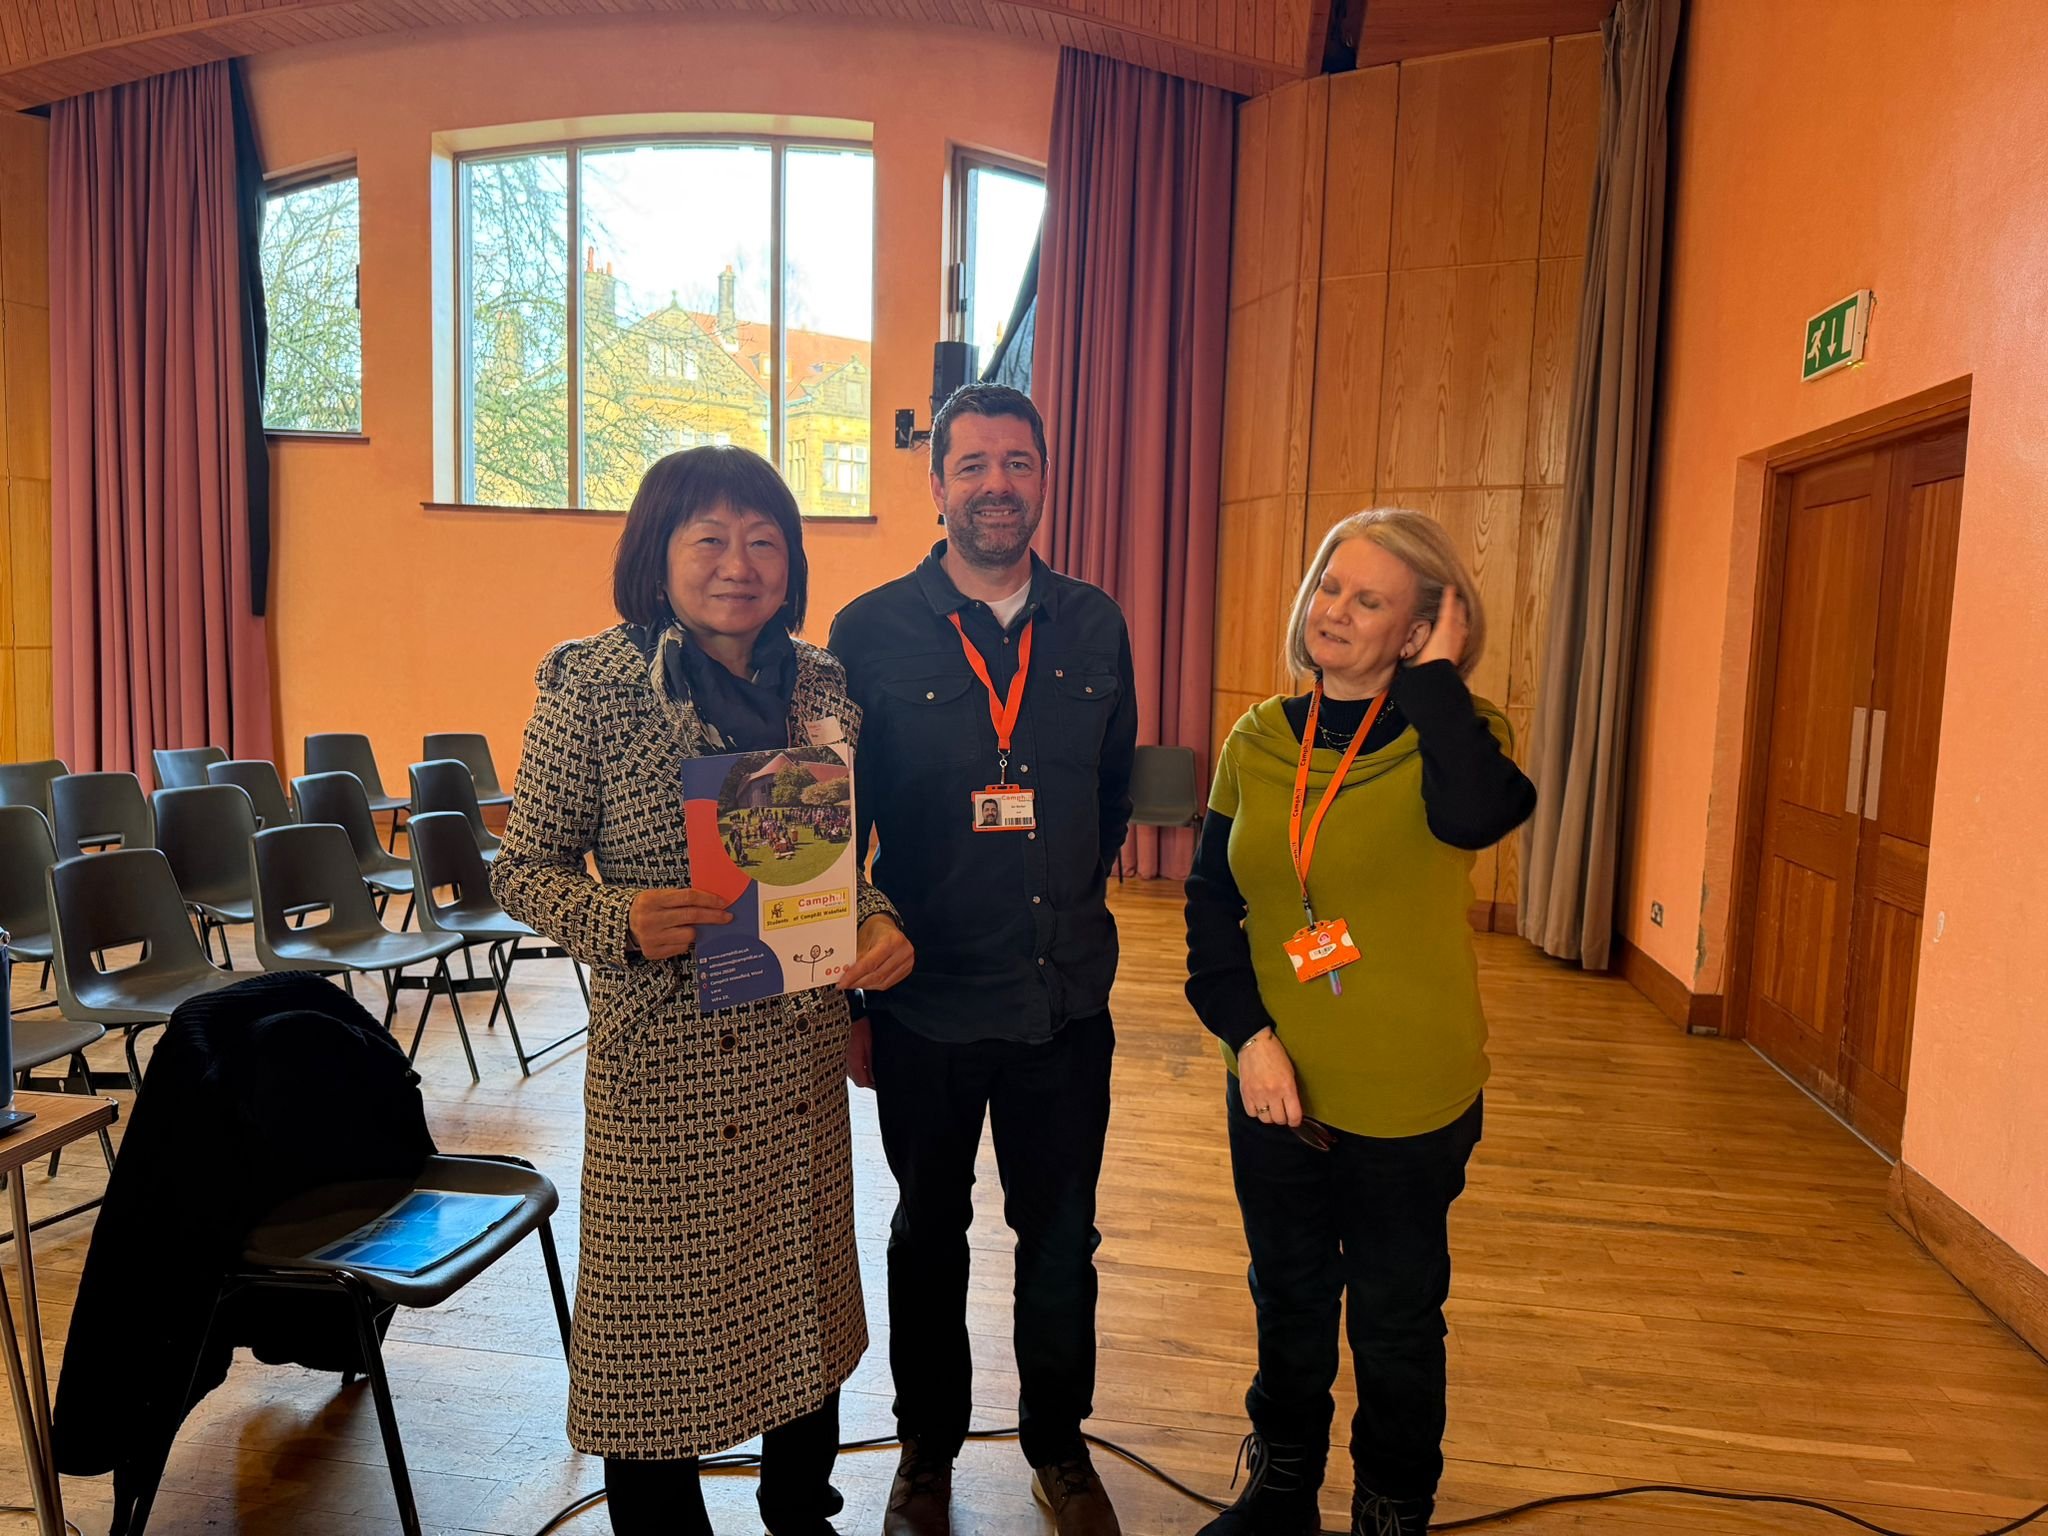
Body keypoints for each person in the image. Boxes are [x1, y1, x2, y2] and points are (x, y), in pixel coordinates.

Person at [491, 446, 916, 1536]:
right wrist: (615, 919)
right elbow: (521, 866)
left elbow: (830, 864)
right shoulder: (591, 684)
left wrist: (876, 920)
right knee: (649, 1336)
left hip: (795, 1054)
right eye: (710, 539)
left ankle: (799, 1510)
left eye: (763, 540)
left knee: (800, 1300)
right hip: (660, 1066)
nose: (739, 564)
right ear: (660, 552)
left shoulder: (821, 686)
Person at [1182, 510, 1536, 1536]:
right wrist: (1246, 1037)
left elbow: (1474, 818)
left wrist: (1434, 681)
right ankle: (1281, 1488)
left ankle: (1389, 1508)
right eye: (1329, 585)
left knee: (1391, 1318)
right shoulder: (1254, 739)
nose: (1332, 610)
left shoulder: (1459, 738)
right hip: (1273, 1084)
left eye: (1368, 599)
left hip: (1408, 1096)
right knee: (1285, 1297)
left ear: (1423, 627)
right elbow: (1213, 905)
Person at [828, 385, 1138, 1536]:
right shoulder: (865, 633)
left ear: (1043, 479)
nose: (996, 484)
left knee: (1063, 1237)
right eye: (973, 466)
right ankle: (925, 1452)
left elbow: (1105, 797)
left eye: (1017, 464)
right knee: (927, 1228)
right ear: (936, 484)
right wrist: (849, 991)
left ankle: (1059, 1449)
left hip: (1064, 999)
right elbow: (833, 823)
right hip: (926, 1005)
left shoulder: (1095, 622)